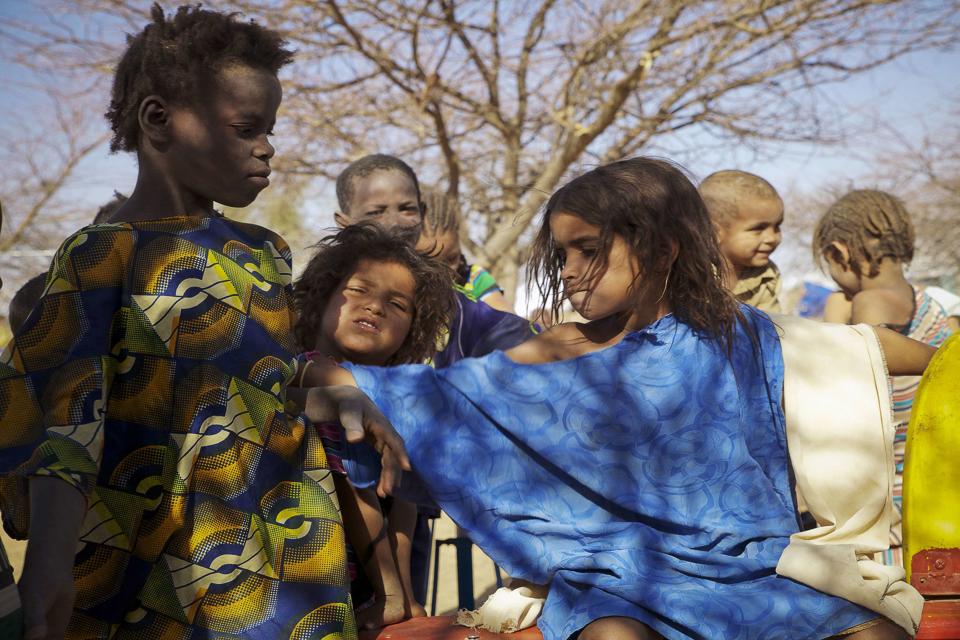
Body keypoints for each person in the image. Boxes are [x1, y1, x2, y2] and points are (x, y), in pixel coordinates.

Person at [316, 158, 929, 640]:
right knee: (612, 634)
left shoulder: (734, 330)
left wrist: (944, 362)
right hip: (613, 576)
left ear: (663, 250)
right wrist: (326, 373)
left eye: (589, 249)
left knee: (872, 629)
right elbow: (454, 397)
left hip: (753, 566)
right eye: (562, 253)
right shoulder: (557, 351)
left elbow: (855, 348)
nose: (571, 269)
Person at [0, 7, 406, 638]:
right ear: (159, 119)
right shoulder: (100, 256)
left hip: (286, 559)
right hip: (158, 572)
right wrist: (49, 563)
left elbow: (247, 394)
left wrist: (335, 398)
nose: (266, 147)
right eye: (247, 128)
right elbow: (66, 429)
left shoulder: (264, 253)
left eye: (270, 128)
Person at [291, 224, 454, 629]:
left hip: (358, 585)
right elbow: (355, 480)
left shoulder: (398, 395)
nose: (375, 307)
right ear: (323, 297)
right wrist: (393, 593)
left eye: (397, 304)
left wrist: (403, 594)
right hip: (306, 567)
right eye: (359, 291)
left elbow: (401, 502)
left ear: (412, 331)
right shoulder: (306, 368)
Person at [812, 189, 950, 566]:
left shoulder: (869, 302)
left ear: (840, 253)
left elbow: (857, 373)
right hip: (930, 467)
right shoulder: (930, 302)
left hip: (892, 478)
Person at [416, 189, 514, 313]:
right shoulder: (401, 288)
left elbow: (507, 323)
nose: (445, 273)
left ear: (458, 241)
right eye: (430, 263)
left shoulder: (474, 279)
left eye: (451, 259)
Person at [699, 170, 784, 311]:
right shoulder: (692, 273)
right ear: (714, 232)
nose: (772, 238)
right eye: (758, 228)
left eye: (777, 226)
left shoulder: (766, 275)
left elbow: (770, 324)